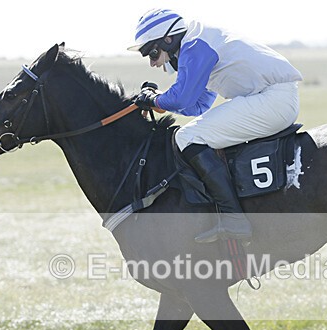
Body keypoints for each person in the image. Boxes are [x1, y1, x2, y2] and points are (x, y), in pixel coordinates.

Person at [128, 8, 302, 243]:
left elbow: (181, 99)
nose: (152, 63)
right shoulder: (200, 41)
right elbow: (197, 106)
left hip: (273, 100)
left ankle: (234, 220)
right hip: (271, 99)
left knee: (187, 137)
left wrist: (154, 99)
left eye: (152, 52)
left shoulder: (195, 45)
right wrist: (159, 101)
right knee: (191, 133)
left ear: (168, 39)